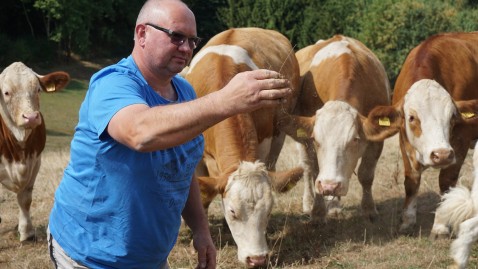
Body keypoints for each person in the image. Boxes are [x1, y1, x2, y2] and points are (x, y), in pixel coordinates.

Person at [47, 0, 292, 268]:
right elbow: (140, 133)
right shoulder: (112, 84)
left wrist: (201, 230)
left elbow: (182, 169)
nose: (186, 48)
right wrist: (226, 100)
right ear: (142, 34)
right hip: (89, 256)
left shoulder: (185, 92)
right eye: (176, 36)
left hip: (151, 258)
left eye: (192, 40)